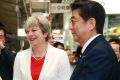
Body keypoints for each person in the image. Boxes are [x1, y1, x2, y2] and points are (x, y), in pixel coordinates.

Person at [69, 0, 118, 80]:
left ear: (91, 24)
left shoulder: (99, 53)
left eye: (73, 21)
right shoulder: (93, 50)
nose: (70, 27)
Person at [13, 14, 70, 80]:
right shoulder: (20, 57)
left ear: (45, 33)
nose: (30, 34)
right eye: (27, 32)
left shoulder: (61, 55)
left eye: (34, 30)